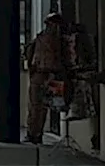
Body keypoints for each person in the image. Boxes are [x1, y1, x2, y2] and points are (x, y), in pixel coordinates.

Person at [25, 13, 67, 144]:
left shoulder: (59, 41)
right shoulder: (42, 38)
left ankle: (35, 133)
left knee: (41, 107)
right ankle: (33, 133)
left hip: (50, 76)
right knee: (35, 106)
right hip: (40, 74)